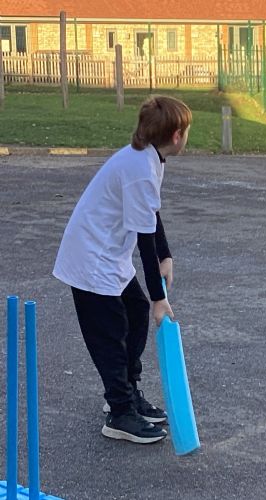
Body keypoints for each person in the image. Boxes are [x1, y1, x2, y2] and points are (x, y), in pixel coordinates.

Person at [53, 95, 192, 444]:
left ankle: (127, 393)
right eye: (186, 131)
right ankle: (119, 413)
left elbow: (151, 213)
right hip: (90, 259)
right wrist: (159, 298)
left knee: (135, 312)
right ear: (176, 135)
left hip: (108, 255)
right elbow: (144, 242)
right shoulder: (140, 168)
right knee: (112, 332)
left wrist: (166, 255)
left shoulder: (150, 158)